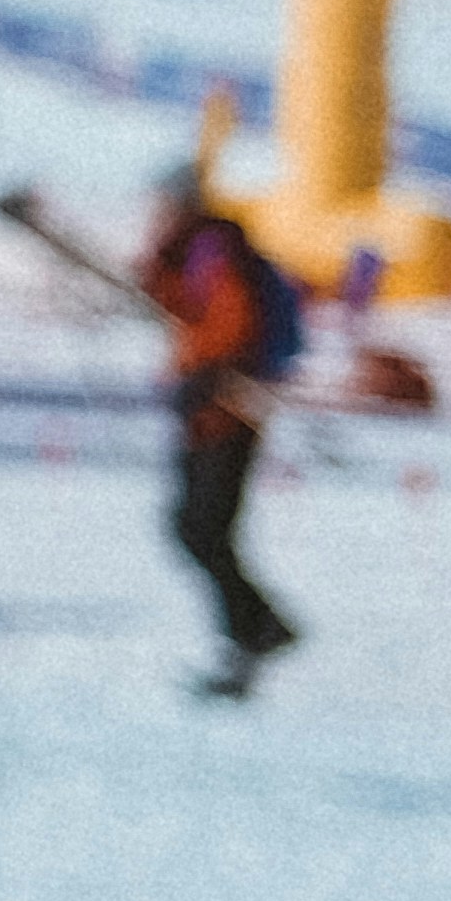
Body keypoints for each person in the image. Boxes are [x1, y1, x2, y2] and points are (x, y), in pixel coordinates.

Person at [139, 170, 300, 698]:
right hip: (208, 409)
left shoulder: (216, 250)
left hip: (228, 410)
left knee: (203, 528)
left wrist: (205, 376)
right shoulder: (192, 250)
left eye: (162, 203)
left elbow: (230, 324)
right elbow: (179, 309)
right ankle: (253, 632)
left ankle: (257, 632)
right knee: (197, 528)